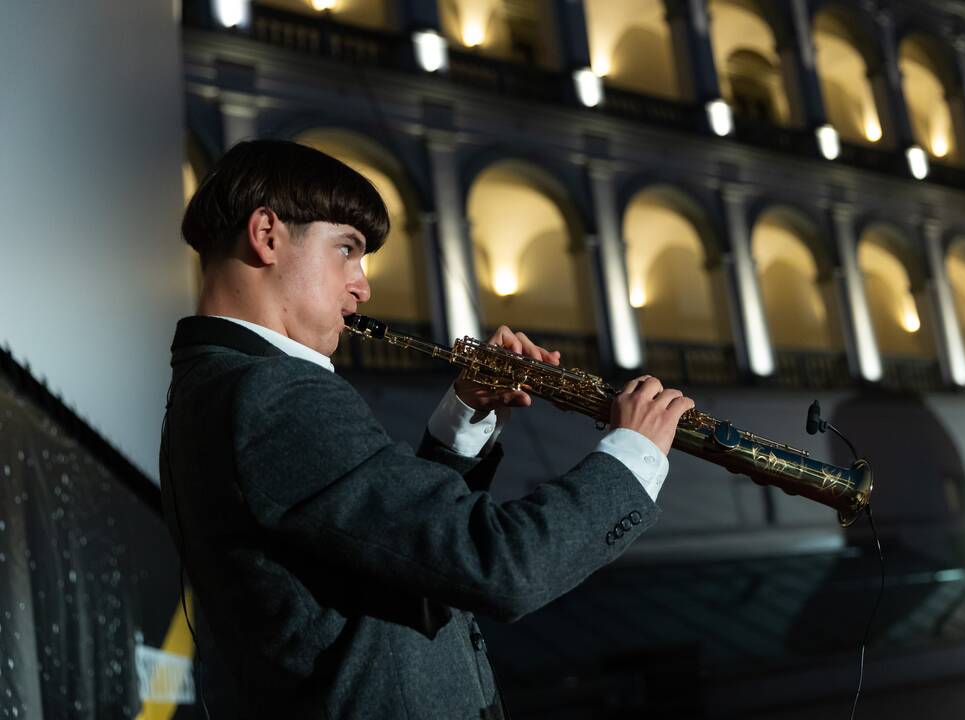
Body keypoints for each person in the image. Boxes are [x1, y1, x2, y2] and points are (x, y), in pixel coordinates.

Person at [160, 139, 695, 719]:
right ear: (266, 235)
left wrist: (463, 418)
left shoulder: (215, 385)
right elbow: (501, 566)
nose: (362, 287)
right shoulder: (273, 393)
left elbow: (387, 551)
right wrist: (632, 453)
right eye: (347, 249)